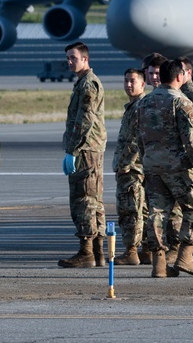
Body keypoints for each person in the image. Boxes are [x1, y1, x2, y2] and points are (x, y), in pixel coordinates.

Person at [135, 59, 193, 277]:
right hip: (179, 166)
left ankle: (158, 264)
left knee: (157, 213)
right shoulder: (182, 102)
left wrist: (147, 159)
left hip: (152, 165)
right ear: (179, 77)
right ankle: (186, 257)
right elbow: (192, 140)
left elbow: (140, 137)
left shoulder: (144, 102)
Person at [58, 42, 107, 268]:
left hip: (85, 149)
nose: (70, 62)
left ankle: (87, 251)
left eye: (73, 58)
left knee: (84, 199)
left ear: (85, 59)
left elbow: (84, 120)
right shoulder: (83, 83)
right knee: (93, 200)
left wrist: (72, 149)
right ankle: (97, 252)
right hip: (88, 148)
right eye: (68, 58)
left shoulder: (88, 84)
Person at [113, 68, 148, 265]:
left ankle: (131, 250)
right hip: (132, 166)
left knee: (131, 209)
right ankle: (144, 248)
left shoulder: (140, 107)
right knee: (140, 209)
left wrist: (126, 164)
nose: (128, 84)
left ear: (142, 84)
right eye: (126, 80)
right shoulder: (133, 106)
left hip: (132, 168)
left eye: (133, 81)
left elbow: (138, 139)